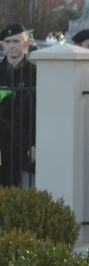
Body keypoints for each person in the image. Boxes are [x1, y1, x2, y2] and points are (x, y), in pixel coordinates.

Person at [0, 22, 36, 187]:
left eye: (16, 41)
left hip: (24, 142)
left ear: (26, 43)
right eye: (7, 42)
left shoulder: (35, 73)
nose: (12, 46)